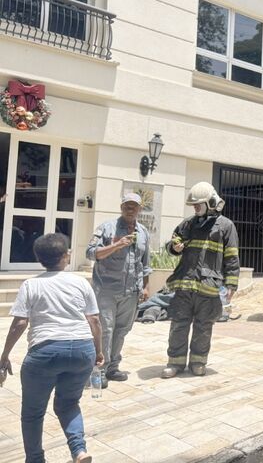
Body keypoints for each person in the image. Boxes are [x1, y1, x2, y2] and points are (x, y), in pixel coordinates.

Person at [0, 233, 103, 463]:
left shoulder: (31, 284)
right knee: (68, 404)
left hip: (44, 354)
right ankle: (79, 451)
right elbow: (94, 320)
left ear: (39, 259)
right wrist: (98, 351)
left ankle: (35, 459)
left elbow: (19, 323)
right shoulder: (79, 282)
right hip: (82, 350)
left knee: (33, 413)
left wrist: (4, 355)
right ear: (66, 256)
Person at [161, 182, 240, 378]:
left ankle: (198, 362)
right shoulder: (187, 224)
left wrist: (231, 283)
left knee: (203, 326)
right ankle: (175, 363)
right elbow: (172, 243)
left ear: (211, 203)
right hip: (185, 285)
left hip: (208, 286)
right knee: (179, 324)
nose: (195, 209)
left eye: (198, 205)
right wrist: (174, 246)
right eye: (193, 206)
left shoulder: (226, 226)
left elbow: (232, 256)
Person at [85, 193, 151, 386]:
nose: (130, 209)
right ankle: (100, 371)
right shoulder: (107, 227)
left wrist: (146, 287)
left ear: (139, 210)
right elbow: (90, 253)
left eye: (134, 206)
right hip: (106, 289)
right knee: (105, 330)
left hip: (131, 291)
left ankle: (113, 367)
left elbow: (145, 262)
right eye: (127, 206)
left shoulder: (143, 232)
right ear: (121, 207)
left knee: (122, 330)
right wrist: (116, 245)